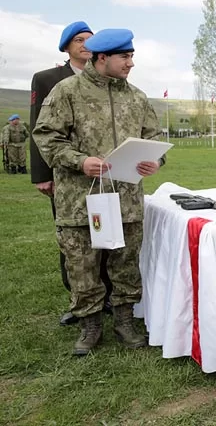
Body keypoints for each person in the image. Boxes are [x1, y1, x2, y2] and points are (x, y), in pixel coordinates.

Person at [33, 28, 164, 356]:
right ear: (102, 58)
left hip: (126, 199)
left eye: (132, 56)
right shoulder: (67, 91)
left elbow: (154, 136)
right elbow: (46, 135)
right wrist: (79, 161)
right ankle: (90, 325)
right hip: (80, 199)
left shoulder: (136, 96)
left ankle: (124, 320)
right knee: (82, 263)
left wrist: (155, 160)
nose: (131, 63)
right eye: (125, 56)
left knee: (125, 261)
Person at [29, 20, 112, 327]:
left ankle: (104, 296)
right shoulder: (47, 78)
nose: (86, 44)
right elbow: (39, 128)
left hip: (103, 174)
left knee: (105, 234)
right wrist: (42, 173)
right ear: (66, 46)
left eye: (91, 39)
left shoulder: (106, 78)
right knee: (73, 241)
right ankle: (77, 299)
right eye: (79, 40)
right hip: (66, 174)